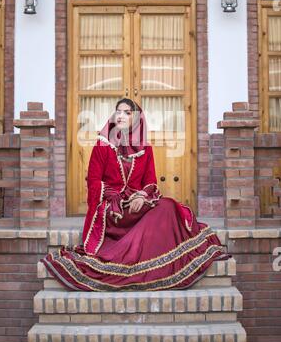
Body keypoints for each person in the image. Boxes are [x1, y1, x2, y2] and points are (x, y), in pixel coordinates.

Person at [41, 98, 229, 291]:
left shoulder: (145, 149)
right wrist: (114, 195)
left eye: (127, 113)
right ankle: (132, 253)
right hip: (113, 211)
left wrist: (140, 196)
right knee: (160, 211)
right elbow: (93, 181)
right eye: (118, 111)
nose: (121, 116)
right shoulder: (103, 145)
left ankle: (153, 258)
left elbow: (150, 182)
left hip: (136, 205)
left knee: (169, 206)